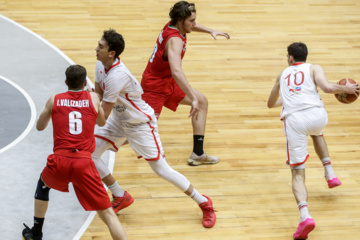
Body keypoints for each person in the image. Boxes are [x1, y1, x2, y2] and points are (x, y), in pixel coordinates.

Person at [90, 29, 216, 228]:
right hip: (119, 118)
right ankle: (120, 195)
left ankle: (204, 202)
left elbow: (101, 118)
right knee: (90, 153)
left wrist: (80, 109)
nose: (96, 49)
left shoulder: (117, 76)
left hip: (140, 124)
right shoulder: (100, 64)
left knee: (162, 170)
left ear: (112, 53)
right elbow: (97, 94)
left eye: (101, 46)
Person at [22, 65, 128, 240]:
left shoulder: (54, 99)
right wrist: (94, 102)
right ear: (85, 82)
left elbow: (40, 127)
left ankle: (36, 232)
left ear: (66, 82)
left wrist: (52, 113)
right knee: (108, 213)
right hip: (83, 163)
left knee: (43, 186)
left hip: (60, 160)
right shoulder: (93, 98)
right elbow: (101, 123)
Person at [267, 42, 359, 239]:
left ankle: (304, 216)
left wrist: (290, 97)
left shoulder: (282, 75)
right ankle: (330, 172)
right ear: (305, 56)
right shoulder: (314, 68)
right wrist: (346, 88)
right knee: (317, 132)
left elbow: (270, 104)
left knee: (297, 173)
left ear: (290, 58)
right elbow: (326, 88)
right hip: (318, 115)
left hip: (295, 121)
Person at [141, 1, 230, 166]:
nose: (194, 24)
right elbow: (176, 71)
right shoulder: (175, 41)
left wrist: (210, 30)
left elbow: (191, 26)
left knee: (202, 101)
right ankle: (100, 141)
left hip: (165, 82)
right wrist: (191, 97)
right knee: (141, 130)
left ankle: (198, 153)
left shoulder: (173, 25)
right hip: (154, 89)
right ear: (181, 21)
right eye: (191, 21)